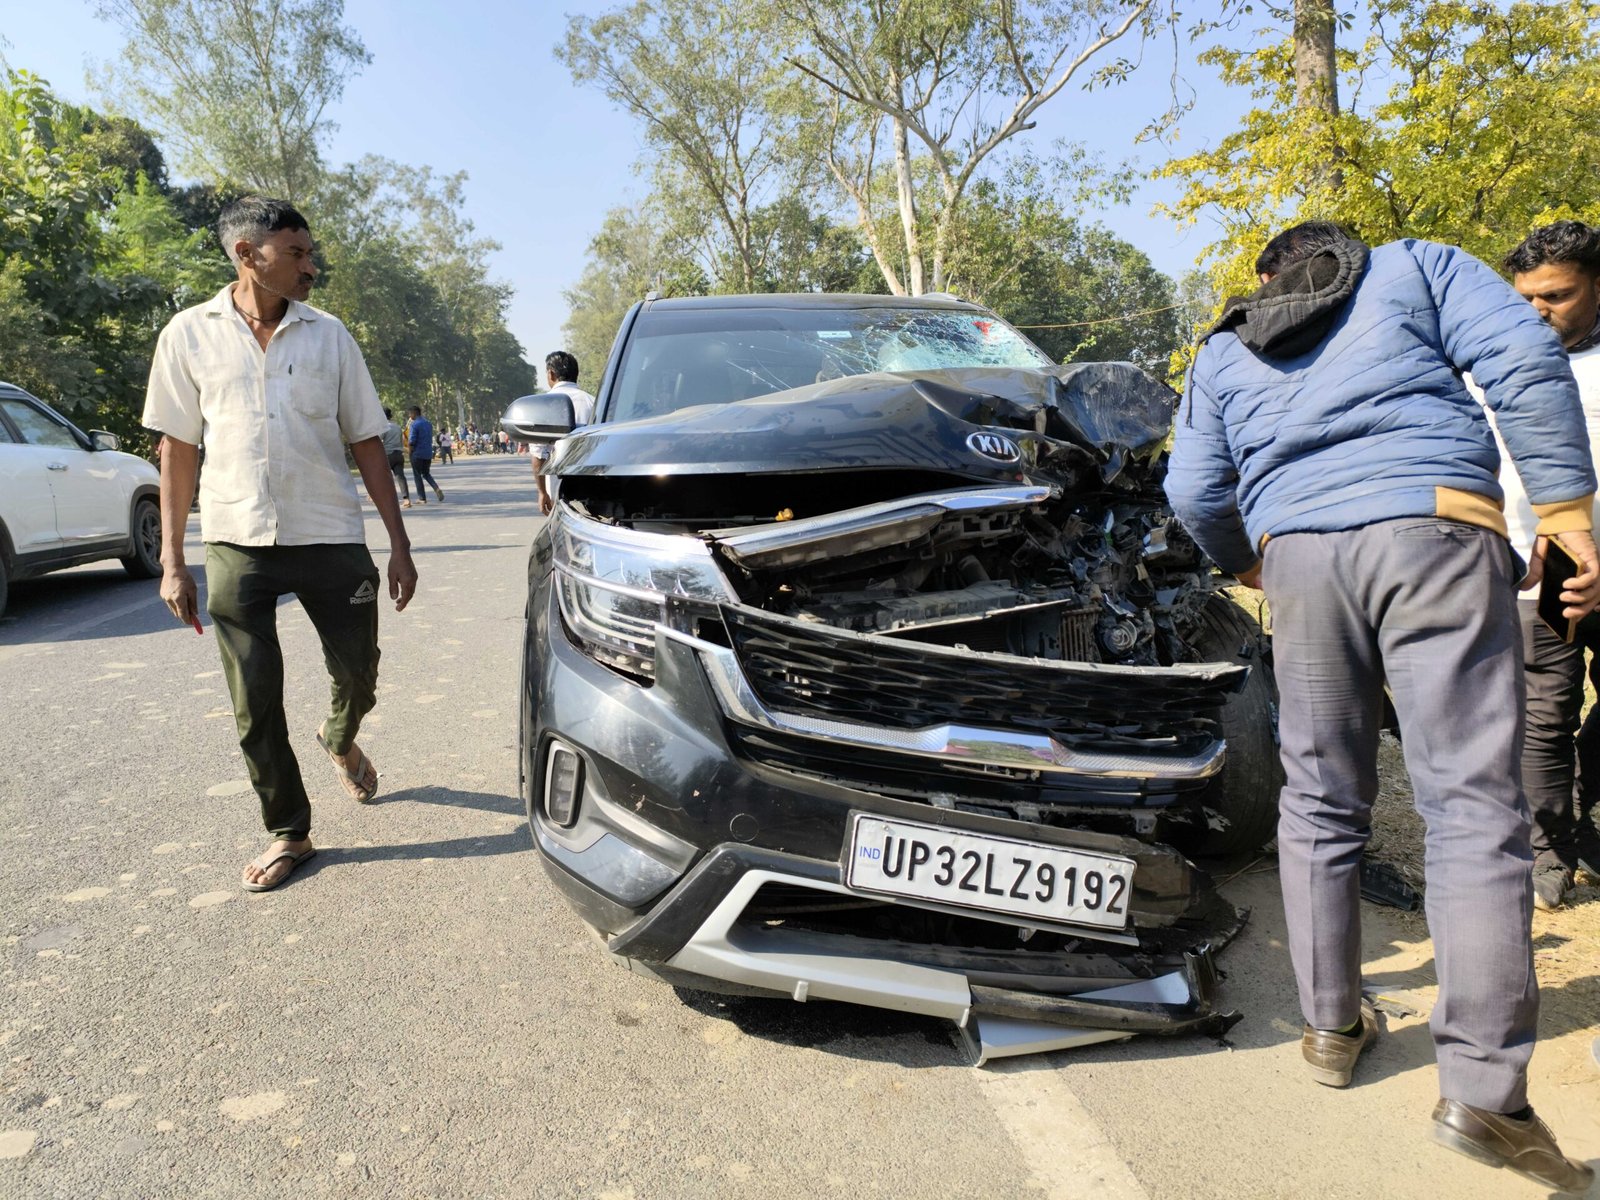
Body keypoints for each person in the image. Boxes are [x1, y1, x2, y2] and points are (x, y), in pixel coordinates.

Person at [1166, 221, 1598, 1194]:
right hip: (1434, 532)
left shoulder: (1227, 345)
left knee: (1318, 796)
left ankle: (1330, 1027)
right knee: (1470, 808)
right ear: (1346, 255)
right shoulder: (1417, 268)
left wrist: (1250, 561)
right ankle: (1484, 1094)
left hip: (1300, 561)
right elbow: (1524, 356)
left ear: (1269, 277)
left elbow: (1191, 486)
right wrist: (1567, 512)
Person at [143, 195, 418, 894]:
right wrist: (174, 560)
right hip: (236, 538)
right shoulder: (189, 334)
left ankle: (339, 736)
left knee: (359, 671)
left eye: (309, 253)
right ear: (247, 254)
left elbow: (366, 440)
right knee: (254, 699)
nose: (310, 267)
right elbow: (178, 449)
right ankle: (289, 829)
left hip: (328, 533)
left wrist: (399, 542)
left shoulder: (330, 336)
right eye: (296, 253)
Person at [1499, 221, 1600, 909]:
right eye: (1526, 297)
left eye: (1557, 295)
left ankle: (1590, 808)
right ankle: (1550, 850)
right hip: (1541, 567)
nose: (1538, 310)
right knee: (1546, 711)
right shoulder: (1493, 361)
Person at [532, 349, 596, 515]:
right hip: (596, 493)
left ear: (551, 374)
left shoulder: (543, 405)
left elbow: (539, 455)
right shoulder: (593, 402)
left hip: (559, 494)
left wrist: (542, 492)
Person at [406, 405, 444, 504]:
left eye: (410, 414)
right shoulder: (428, 423)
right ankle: (436, 488)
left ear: (414, 413)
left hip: (417, 453)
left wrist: (410, 452)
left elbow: (412, 441)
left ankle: (422, 498)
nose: (409, 416)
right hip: (427, 453)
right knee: (426, 473)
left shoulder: (414, 424)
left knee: (417, 475)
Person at [381, 406, 412, 509]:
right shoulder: (397, 427)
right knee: (400, 477)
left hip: (388, 455)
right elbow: (401, 441)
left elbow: (379, 440)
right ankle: (406, 499)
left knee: (383, 477)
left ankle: (384, 498)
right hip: (398, 455)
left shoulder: (383, 427)